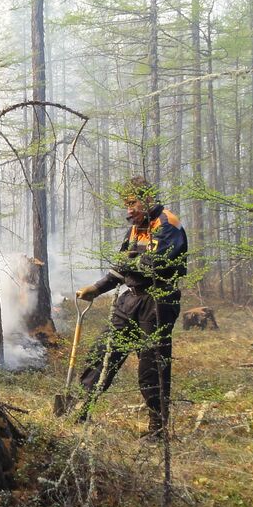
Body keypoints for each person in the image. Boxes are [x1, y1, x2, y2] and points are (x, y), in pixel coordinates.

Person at [72, 176, 188, 440]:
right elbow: (122, 266)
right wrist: (98, 288)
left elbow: (152, 265)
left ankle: (157, 430)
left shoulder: (167, 225)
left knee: (152, 365)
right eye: (126, 205)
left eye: (132, 203)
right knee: (104, 352)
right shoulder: (136, 228)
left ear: (148, 199)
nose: (129, 210)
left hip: (158, 300)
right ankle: (81, 408)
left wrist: (130, 264)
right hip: (131, 298)